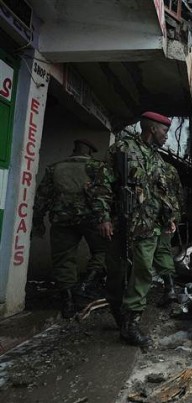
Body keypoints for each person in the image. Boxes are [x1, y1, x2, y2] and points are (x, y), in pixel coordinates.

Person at [91, 112, 176, 346]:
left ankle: (131, 323)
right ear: (152, 129)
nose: (166, 137)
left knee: (143, 272)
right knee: (117, 275)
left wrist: (168, 218)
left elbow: (161, 193)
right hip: (122, 225)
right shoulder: (122, 149)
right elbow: (102, 184)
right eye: (164, 131)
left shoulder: (157, 159)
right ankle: (119, 315)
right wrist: (103, 218)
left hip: (148, 227)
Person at [32, 139, 108, 319]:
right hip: (91, 219)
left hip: (61, 219)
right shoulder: (97, 167)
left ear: (74, 150)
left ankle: (67, 301)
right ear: (90, 152)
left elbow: (42, 196)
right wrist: (106, 218)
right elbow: (104, 195)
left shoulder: (54, 168)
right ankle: (86, 284)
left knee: (63, 258)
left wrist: (38, 220)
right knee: (104, 250)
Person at [153, 161, 184, 307]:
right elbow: (180, 195)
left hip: (158, 216)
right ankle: (170, 289)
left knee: (160, 249)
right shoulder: (170, 168)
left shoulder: (151, 167)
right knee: (162, 249)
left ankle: (170, 289)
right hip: (169, 214)